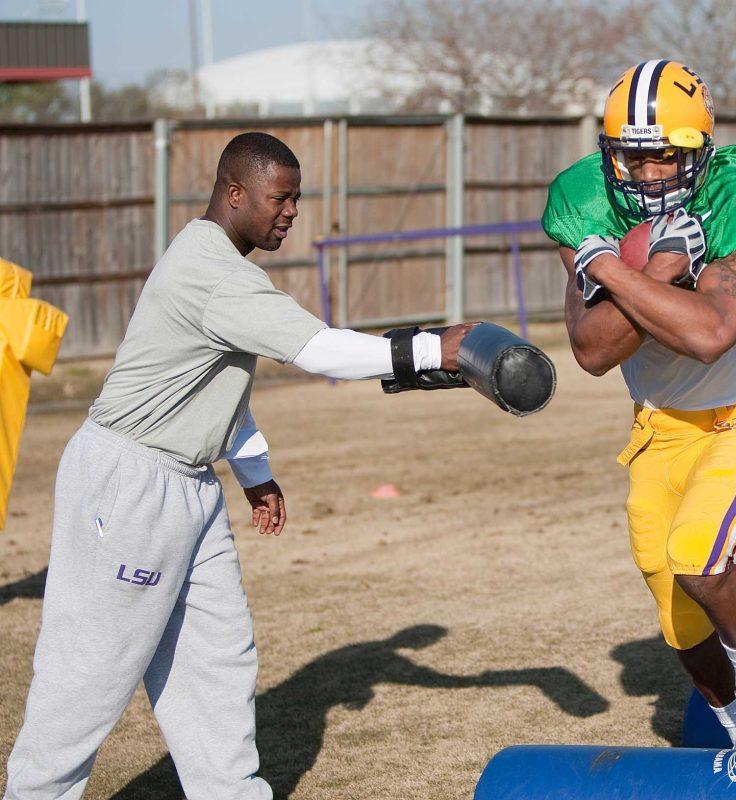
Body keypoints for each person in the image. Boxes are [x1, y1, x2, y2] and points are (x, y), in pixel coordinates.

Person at [3, 132, 474, 800]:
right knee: (89, 675)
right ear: (234, 193)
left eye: (297, 199)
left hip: (191, 486)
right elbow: (321, 351)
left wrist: (254, 474)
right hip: (130, 481)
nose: (290, 213)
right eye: (280, 198)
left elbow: (219, 387)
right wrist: (434, 349)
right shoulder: (211, 272)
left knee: (217, 662)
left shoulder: (225, 271)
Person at [541, 60, 736, 786]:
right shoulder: (583, 199)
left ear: (700, 151)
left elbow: (711, 332)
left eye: (664, 154)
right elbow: (593, 351)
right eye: (631, 154)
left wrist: (612, 273)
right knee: (673, 606)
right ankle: (728, 716)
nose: (648, 173)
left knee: (698, 556)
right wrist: (656, 270)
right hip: (657, 425)